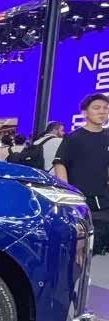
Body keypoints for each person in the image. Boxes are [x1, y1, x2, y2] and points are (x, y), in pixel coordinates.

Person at [53, 93, 109, 253]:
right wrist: (68, 198)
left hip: (104, 202)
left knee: (97, 248)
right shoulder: (74, 138)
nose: (102, 111)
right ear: (85, 112)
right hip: (80, 202)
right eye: (97, 108)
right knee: (78, 250)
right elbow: (60, 165)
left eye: (106, 108)